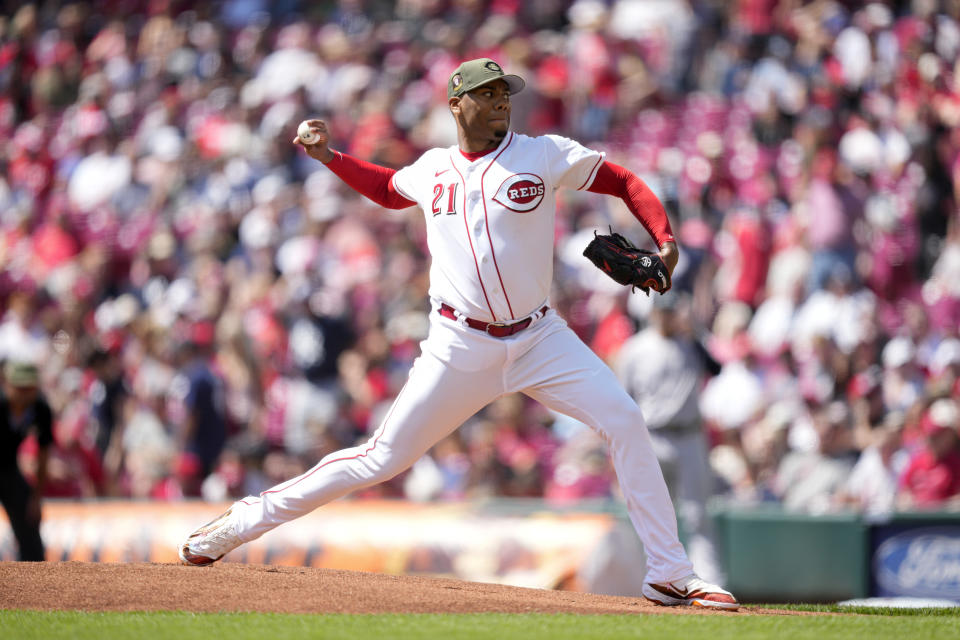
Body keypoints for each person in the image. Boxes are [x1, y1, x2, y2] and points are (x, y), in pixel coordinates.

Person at [178, 58, 738, 610]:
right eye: (487, 93)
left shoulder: (541, 153)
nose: (500, 101)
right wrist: (330, 157)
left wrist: (664, 238)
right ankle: (242, 522)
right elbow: (389, 190)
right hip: (459, 344)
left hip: (542, 338)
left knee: (624, 419)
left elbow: (623, 180)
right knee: (380, 459)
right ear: (456, 104)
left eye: (504, 93)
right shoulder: (433, 167)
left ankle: (669, 572)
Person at [615, 292, 725, 584]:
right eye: (662, 312)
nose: (666, 316)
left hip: (689, 436)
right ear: (652, 314)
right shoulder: (635, 350)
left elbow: (717, 368)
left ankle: (710, 583)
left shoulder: (690, 343)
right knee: (651, 514)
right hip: (652, 437)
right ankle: (648, 583)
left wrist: (696, 333)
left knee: (698, 515)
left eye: (671, 311)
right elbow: (623, 401)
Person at [0, 360, 52, 561]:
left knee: (30, 523)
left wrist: (36, 498)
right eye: (19, 387)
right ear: (7, 385)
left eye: (29, 388)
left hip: (9, 469)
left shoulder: (40, 409)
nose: (24, 393)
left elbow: (44, 453)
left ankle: (36, 582)